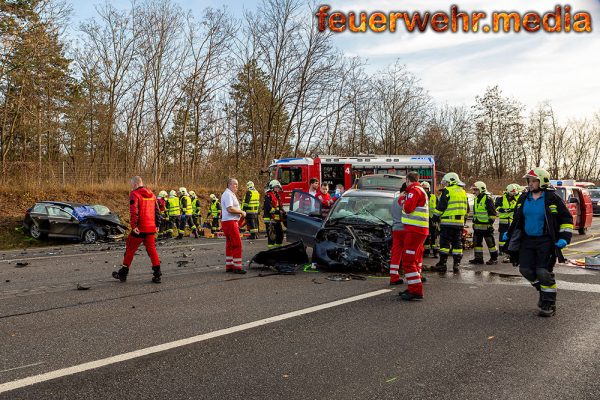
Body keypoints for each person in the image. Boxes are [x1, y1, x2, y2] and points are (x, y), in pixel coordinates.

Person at [503, 168, 573, 317]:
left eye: (533, 180)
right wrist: (509, 234)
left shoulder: (552, 198)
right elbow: (517, 219)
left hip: (546, 241)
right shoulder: (523, 198)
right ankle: (543, 289)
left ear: (542, 181)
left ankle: (548, 303)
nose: (530, 183)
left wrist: (564, 238)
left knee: (543, 271)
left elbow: (566, 219)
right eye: (529, 181)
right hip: (527, 240)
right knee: (525, 269)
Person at [113, 176, 162, 283]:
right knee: (152, 250)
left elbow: (134, 211)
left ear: (135, 184)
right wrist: (157, 224)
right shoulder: (152, 195)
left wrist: (134, 226)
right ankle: (157, 274)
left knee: (130, 249)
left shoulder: (134, 194)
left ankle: (123, 273)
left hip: (140, 228)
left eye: (131, 185)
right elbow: (157, 211)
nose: (131, 187)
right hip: (150, 228)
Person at [398, 171, 429, 301]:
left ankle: (416, 290)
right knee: (412, 260)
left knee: (408, 261)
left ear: (407, 180)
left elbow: (408, 208)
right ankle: (413, 287)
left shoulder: (414, 190)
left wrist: (401, 199)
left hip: (415, 230)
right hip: (417, 230)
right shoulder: (418, 190)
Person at [431, 172, 468, 273]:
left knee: (445, 243)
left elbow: (441, 207)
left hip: (447, 222)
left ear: (451, 181)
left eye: (446, 182)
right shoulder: (463, 192)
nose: (445, 184)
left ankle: (442, 264)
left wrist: (434, 217)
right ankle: (456, 264)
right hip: (459, 223)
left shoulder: (448, 191)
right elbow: (467, 208)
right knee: (457, 243)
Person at [469, 181, 498, 265]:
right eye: (474, 190)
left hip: (486, 227)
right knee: (477, 244)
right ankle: (478, 259)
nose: (474, 192)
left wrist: (490, 224)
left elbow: (492, 214)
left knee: (491, 244)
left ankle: (494, 258)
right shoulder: (476, 199)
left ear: (481, 190)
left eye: (476, 190)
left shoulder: (488, 199)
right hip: (477, 226)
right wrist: (474, 223)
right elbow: (475, 213)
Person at [221, 178, 247, 274]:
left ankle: (230, 265)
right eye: (235, 184)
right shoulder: (228, 194)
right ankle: (237, 267)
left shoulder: (229, 194)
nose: (237, 186)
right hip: (230, 222)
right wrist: (241, 212)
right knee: (237, 244)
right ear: (229, 185)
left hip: (228, 221)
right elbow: (230, 209)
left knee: (230, 244)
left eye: (237, 184)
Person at [496, 184, 520, 262]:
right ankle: (502, 250)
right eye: (511, 192)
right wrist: (502, 209)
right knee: (502, 236)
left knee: (512, 236)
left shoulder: (518, 198)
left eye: (514, 192)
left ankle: (510, 251)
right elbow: (496, 206)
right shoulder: (501, 198)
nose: (512, 194)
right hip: (503, 220)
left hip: (513, 221)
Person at [389, 183, 407, 286]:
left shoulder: (394, 200)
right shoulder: (405, 200)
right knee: (408, 254)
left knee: (396, 253)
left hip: (396, 229)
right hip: (405, 229)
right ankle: (413, 275)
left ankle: (393, 277)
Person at [263, 180, 284, 248]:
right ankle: (271, 250)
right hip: (270, 219)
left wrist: (283, 211)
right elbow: (269, 208)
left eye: (278, 187)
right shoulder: (268, 196)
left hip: (276, 219)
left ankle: (278, 248)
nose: (278, 189)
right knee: (272, 237)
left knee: (280, 234)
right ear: (272, 187)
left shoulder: (277, 195)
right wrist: (278, 212)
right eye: (276, 187)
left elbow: (279, 206)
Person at [421, 181, 439, 258]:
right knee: (426, 237)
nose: (425, 190)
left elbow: (438, 208)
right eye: (423, 189)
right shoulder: (420, 197)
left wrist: (437, 219)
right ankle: (426, 252)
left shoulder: (434, 197)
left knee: (434, 236)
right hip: (424, 220)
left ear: (429, 189)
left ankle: (435, 252)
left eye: (426, 189)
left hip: (433, 219)